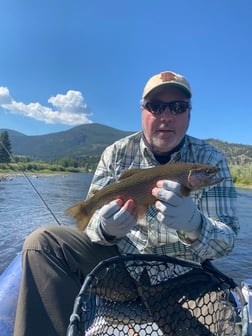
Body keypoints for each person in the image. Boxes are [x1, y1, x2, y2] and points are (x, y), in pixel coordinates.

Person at [14, 70, 239, 336]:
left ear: (189, 114)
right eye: (156, 106)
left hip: (185, 281)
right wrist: (107, 228)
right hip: (118, 270)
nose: (166, 116)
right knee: (42, 244)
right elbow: (91, 227)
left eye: (178, 107)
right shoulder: (116, 153)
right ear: (143, 111)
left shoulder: (211, 161)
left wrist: (195, 225)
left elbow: (227, 242)